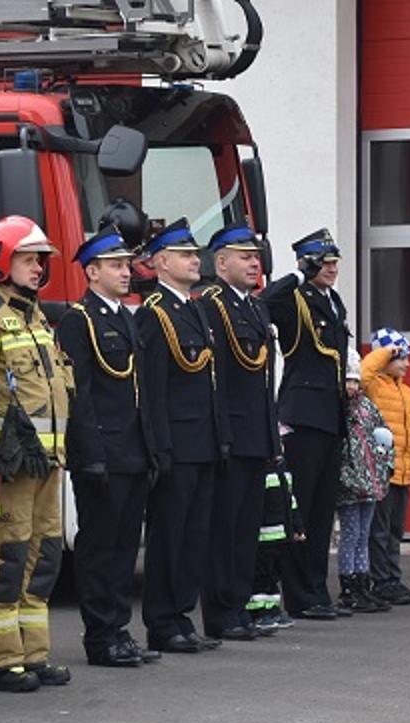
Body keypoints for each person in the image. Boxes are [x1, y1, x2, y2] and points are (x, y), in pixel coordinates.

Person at [0, 216, 72, 692]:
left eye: (40, 260)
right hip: (9, 469)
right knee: (3, 559)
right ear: (0, 260)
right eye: (28, 259)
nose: (38, 268)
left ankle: (31, 654)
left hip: (45, 462)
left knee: (41, 558)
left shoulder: (33, 314)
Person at [57, 226, 164, 668]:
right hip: (102, 454)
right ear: (92, 272)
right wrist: (91, 455)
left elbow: (140, 392)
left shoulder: (125, 317)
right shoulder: (79, 320)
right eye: (116, 266)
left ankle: (120, 629)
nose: (126, 272)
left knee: (123, 549)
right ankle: (101, 636)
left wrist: (150, 450)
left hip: (132, 451)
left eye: (126, 265)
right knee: (100, 548)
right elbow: (79, 394)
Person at [134, 218, 229, 654]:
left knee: (195, 537)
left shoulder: (194, 309)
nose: (195, 260)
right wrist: (160, 447)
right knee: (170, 536)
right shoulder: (155, 314)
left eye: (195, 254)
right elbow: (152, 389)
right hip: (177, 444)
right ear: (160, 263)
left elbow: (210, 381)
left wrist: (220, 436)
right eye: (186, 254)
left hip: (203, 442)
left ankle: (182, 617)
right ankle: (162, 621)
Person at [259, 228, 355, 620]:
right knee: (300, 508)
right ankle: (300, 595)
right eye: (323, 262)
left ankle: (317, 591)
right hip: (302, 415)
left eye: (333, 262)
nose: (330, 269)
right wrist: (299, 274)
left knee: (321, 513)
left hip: (330, 416)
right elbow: (265, 301)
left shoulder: (333, 301)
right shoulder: (295, 297)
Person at [196, 223, 280, 642]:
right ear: (221, 262)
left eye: (256, 257)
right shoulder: (214, 306)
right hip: (231, 435)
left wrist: (271, 437)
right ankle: (221, 612)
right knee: (224, 530)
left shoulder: (256, 308)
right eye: (245, 257)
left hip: (256, 434)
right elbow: (217, 380)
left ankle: (240, 605)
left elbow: (262, 382)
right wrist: (222, 435)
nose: (254, 264)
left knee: (247, 529)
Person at [362, 328, 410, 606]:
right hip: (381, 472)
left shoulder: (409, 393)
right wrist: (386, 351)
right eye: (402, 358)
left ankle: (393, 578)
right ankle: (381, 581)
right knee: (378, 529)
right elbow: (364, 372)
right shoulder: (373, 386)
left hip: (403, 473)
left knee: (395, 530)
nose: (407, 364)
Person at [335, 369, 396, 614]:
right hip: (350, 485)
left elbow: (384, 437)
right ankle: (348, 587)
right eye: (347, 381)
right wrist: (347, 478)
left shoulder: (368, 407)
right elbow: (337, 450)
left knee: (363, 534)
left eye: (354, 381)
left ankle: (362, 583)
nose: (351, 386)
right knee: (350, 534)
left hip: (371, 482)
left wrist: (384, 467)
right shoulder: (339, 410)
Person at [247, 463, 300, 630]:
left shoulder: (283, 472)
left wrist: (297, 525)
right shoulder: (262, 473)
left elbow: (291, 501)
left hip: (281, 536)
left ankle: (272, 607)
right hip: (263, 536)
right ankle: (257, 611)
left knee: (273, 575)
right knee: (259, 575)